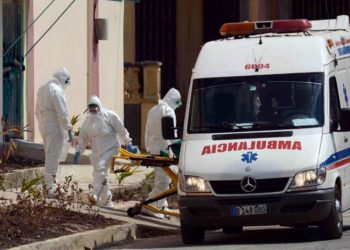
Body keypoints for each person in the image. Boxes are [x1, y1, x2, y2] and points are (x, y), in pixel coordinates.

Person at [73, 95, 138, 208]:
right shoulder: (88, 120)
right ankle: (107, 201)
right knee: (99, 174)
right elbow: (83, 137)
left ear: (99, 106)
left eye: (95, 107)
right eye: (91, 108)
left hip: (111, 148)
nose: (93, 110)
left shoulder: (110, 115)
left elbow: (121, 129)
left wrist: (128, 143)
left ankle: (95, 194)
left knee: (101, 168)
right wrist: (79, 150)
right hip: (96, 151)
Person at [35, 66, 73, 197]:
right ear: (63, 78)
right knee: (53, 155)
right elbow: (62, 111)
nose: (66, 84)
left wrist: (42, 123)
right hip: (54, 126)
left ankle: (52, 183)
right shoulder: (56, 90)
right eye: (67, 81)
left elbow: (37, 110)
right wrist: (68, 128)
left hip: (44, 125)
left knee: (50, 154)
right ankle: (50, 187)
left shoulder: (42, 88)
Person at [144, 88, 182, 219]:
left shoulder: (153, 110)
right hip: (163, 148)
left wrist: (148, 147)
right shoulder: (169, 111)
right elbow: (172, 134)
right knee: (164, 181)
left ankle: (161, 204)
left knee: (160, 178)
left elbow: (147, 131)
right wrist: (178, 146)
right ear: (174, 100)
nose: (177, 106)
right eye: (177, 103)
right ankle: (150, 206)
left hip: (154, 147)